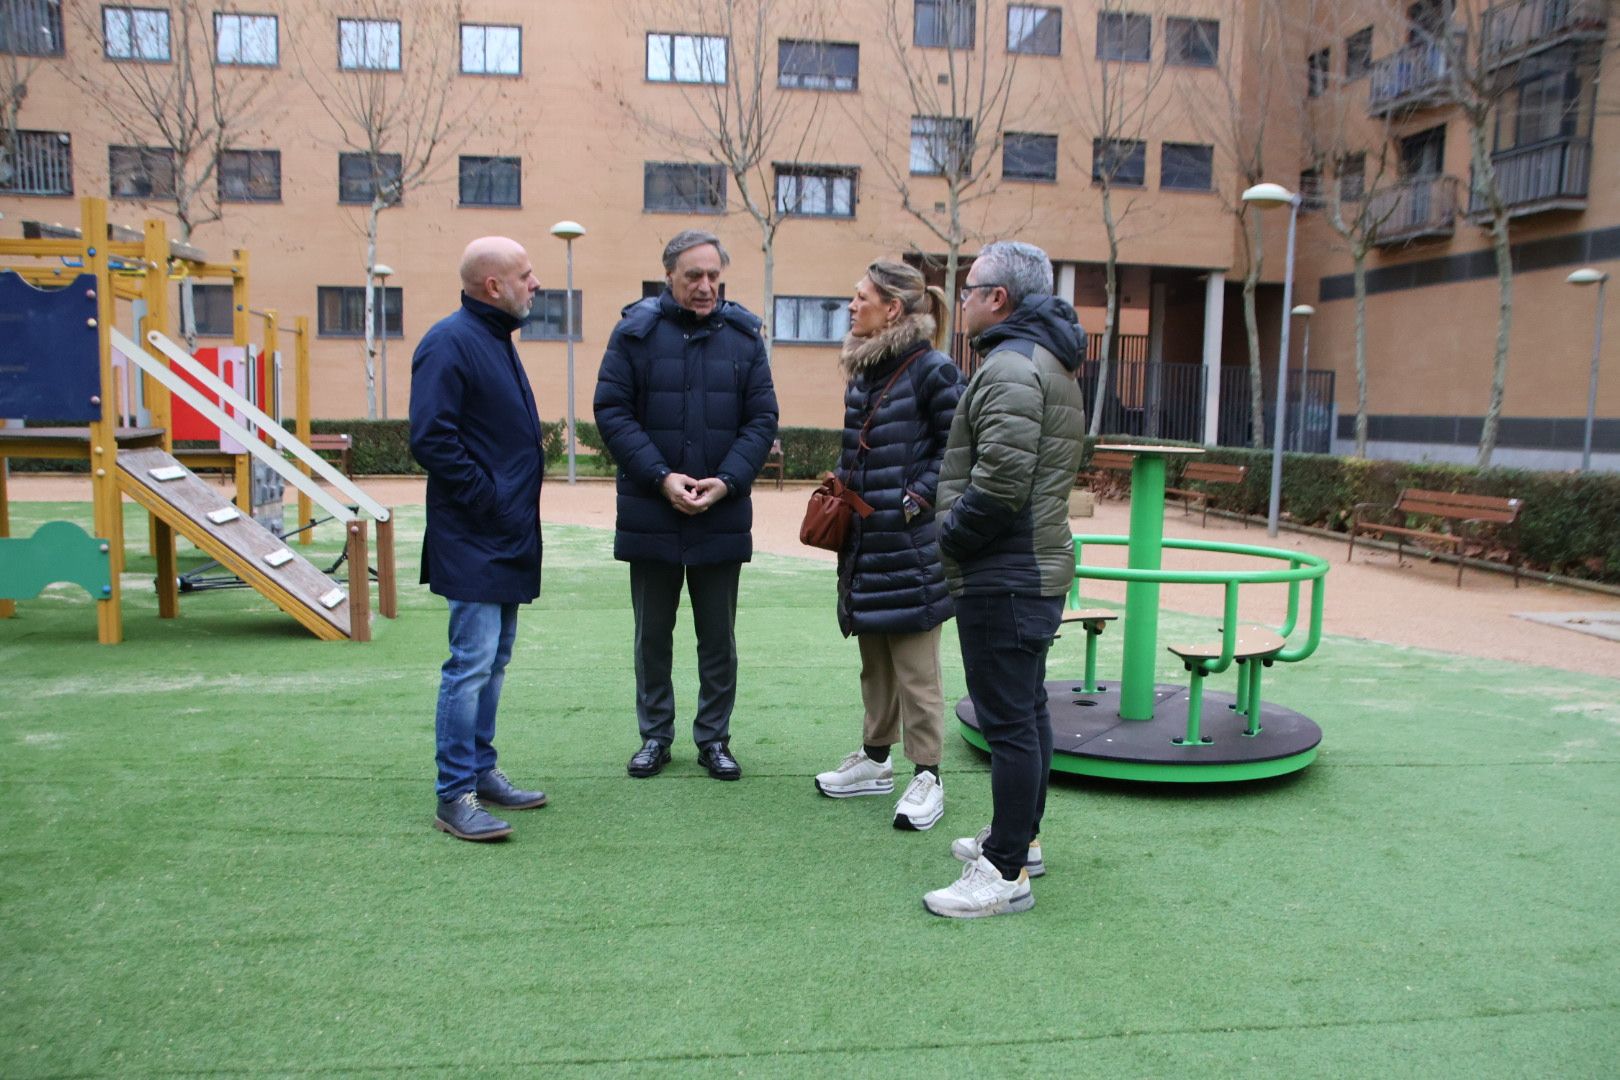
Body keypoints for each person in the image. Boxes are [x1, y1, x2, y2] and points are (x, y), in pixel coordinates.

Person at [924, 241, 1086, 917]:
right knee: (1028, 712)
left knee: (1010, 722)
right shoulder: (1037, 358)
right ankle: (1023, 839)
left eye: (967, 289)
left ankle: (1006, 870)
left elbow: (1001, 484)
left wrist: (949, 536)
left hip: (1007, 571)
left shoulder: (1014, 367)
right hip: (1028, 567)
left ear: (998, 299)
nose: (959, 301)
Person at [593, 229, 779, 781]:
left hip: (721, 511)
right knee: (652, 634)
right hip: (652, 509)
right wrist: (660, 477)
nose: (705, 286)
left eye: (713, 275)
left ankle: (714, 738)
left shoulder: (745, 339)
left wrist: (727, 480)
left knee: (717, 637)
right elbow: (612, 411)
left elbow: (762, 419)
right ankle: (655, 737)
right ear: (668, 276)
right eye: (693, 276)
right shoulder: (633, 336)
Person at [812, 261, 963, 831]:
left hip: (908, 542)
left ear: (892, 309)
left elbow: (957, 448)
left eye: (861, 297)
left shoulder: (932, 369)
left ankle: (929, 776)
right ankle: (876, 760)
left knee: (916, 670)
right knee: (874, 661)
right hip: (866, 541)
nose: (851, 306)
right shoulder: (866, 369)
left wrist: (913, 500)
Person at [409, 236, 550, 842]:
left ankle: (481, 771)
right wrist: (490, 498)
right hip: (475, 534)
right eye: (525, 275)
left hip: (505, 533)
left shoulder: (491, 337)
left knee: (493, 663)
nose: (535, 283)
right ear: (493, 285)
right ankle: (453, 795)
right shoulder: (449, 342)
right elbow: (431, 439)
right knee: (469, 665)